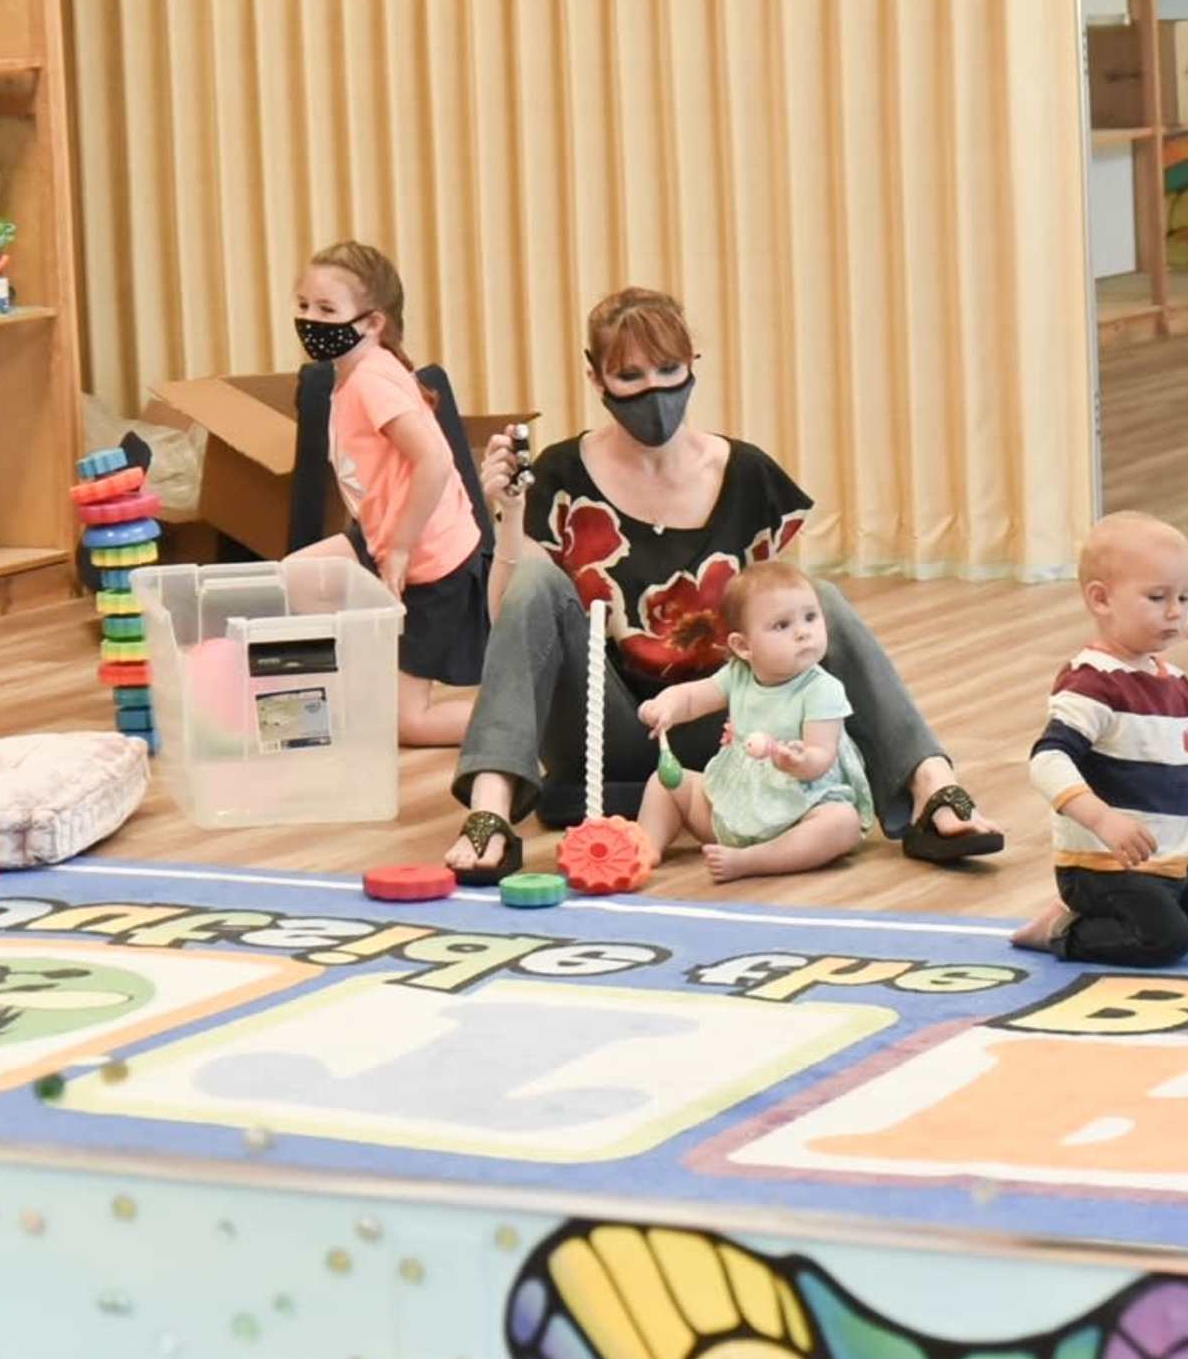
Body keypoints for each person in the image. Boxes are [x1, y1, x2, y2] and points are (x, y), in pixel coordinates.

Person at [439, 286, 1005, 881]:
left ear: (692, 366)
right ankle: (490, 817)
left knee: (821, 603)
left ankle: (933, 787)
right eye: (630, 375)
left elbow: (787, 629)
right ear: (596, 378)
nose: (653, 389)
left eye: (668, 369)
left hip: (735, 723)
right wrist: (507, 515)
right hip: (603, 724)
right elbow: (513, 624)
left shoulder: (747, 474)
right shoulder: (557, 472)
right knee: (532, 573)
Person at [1013, 514, 1188, 964]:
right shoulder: (1091, 682)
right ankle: (1061, 929)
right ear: (1101, 600)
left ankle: (1153, 909)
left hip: (1168, 859)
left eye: (1183, 598)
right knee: (1163, 941)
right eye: (1157, 597)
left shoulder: (1176, 683)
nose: (1174, 612)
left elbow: (1179, 768)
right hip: (1101, 866)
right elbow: (1047, 761)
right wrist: (1103, 820)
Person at [284, 239, 485, 746]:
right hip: (380, 537)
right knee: (298, 579)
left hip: (429, 560)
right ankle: (331, 709)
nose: (311, 319)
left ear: (372, 322)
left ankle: (532, 720)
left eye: (328, 309)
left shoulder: (372, 381)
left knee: (407, 724)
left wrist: (400, 548)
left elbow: (436, 460)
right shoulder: (350, 375)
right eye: (304, 305)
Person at [632, 558, 873, 882]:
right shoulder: (738, 675)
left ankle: (752, 860)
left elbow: (821, 755)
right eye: (782, 625)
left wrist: (799, 761)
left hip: (799, 806)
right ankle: (643, 850)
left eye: (811, 617)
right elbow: (692, 698)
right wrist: (666, 707)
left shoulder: (822, 690)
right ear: (743, 646)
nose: (803, 632)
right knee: (664, 783)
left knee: (841, 822)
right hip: (734, 806)